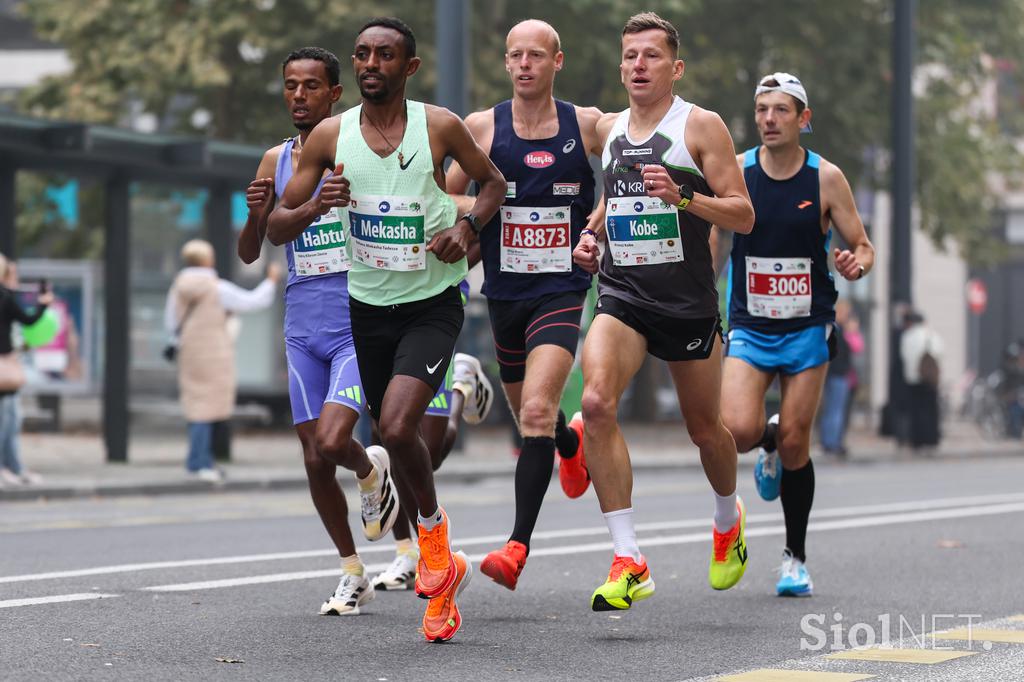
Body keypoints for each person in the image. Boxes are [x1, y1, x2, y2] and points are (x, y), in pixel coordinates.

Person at [267, 18, 506, 641]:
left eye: (386, 54)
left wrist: (467, 228)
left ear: (410, 67)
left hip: (430, 303)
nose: (372, 63)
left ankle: (432, 543)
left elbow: (494, 185)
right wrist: (319, 204)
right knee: (396, 438)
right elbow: (277, 225)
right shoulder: (328, 136)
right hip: (366, 309)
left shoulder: (439, 126)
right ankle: (443, 575)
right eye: (364, 54)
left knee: (398, 427)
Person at [572, 12, 755, 612]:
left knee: (706, 432)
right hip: (623, 295)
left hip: (686, 304)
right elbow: (612, 196)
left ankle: (727, 519)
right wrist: (593, 234)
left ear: (674, 68)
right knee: (596, 402)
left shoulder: (700, 126)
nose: (638, 66)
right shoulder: (608, 127)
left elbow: (742, 214)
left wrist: (684, 196)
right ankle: (629, 559)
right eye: (629, 56)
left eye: (651, 56)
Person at [238, 46, 411, 615]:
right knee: (313, 457)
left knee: (336, 441)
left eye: (312, 86)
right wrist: (253, 214)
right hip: (301, 323)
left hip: (356, 319)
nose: (299, 96)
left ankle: (370, 469)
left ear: (335, 93)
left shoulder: (359, 147)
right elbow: (254, 249)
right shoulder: (274, 159)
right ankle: (351, 570)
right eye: (291, 85)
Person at [443, 19, 601, 591]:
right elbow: (449, 193)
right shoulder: (482, 127)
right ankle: (570, 444)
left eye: (537, 54)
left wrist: (597, 226)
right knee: (536, 415)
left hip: (560, 292)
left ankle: (516, 547)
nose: (526, 64)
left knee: (534, 411)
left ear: (558, 61)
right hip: (504, 291)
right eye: (516, 55)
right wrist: (477, 212)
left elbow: (634, 160)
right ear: (506, 64)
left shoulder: (585, 126)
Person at [715, 71, 875, 597]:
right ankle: (766, 441)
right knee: (735, 431)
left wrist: (856, 263)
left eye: (781, 110)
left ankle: (794, 559)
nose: (769, 119)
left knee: (797, 443)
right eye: (762, 110)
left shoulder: (825, 178)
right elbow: (718, 241)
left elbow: (863, 245)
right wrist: (698, 295)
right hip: (752, 326)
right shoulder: (737, 171)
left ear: (803, 119)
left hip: (808, 327)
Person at [164, 239, 279, 482]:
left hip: (190, 352)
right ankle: (200, 462)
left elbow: (171, 323)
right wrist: (271, 281)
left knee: (196, 404)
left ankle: (199, 459)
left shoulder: (179, 287)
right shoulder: (216, 288)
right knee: (208, 408)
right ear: (207, 259)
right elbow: (253, 301)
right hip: (214, 352)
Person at [0, 255, 51, 486]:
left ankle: (14, 466)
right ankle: (8, 467)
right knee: (8, 419)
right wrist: (43, 304)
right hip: (5, 366)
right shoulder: (5, 296)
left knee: (10, 417)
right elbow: (29, 320)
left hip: (8, 363)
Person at [818, 300, 862, 457]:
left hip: (830, 374)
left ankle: (828, 441)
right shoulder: (841, 331)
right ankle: (833, 442)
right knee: (836, 410)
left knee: (830, 409)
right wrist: (853, 333)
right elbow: (856, 348)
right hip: (839, 375)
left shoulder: (830, 329)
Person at [900, 310, 942, 449]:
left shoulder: (908, 336)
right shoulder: (932, 335)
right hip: (930, 379)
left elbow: (904, 356)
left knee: (916, 411)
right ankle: (931, 439)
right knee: (931, 411)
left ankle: (917, 440)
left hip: (913, 378)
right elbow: (941, 353)